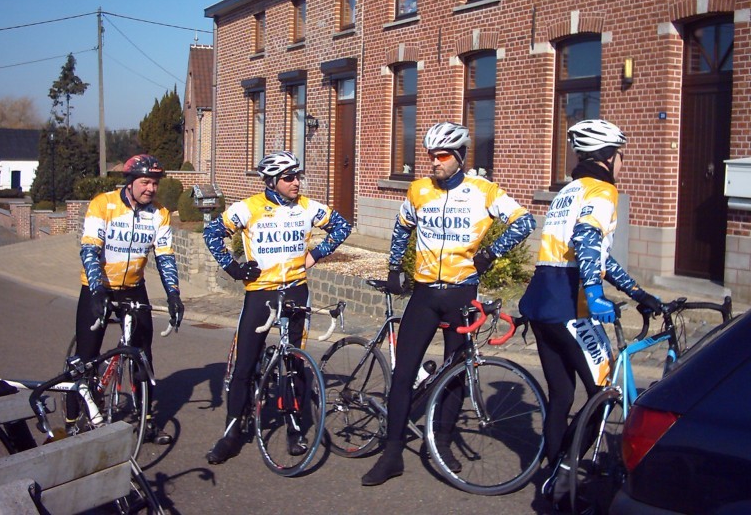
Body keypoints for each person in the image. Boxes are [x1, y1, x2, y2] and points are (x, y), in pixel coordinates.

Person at [361, 122, 537, 486]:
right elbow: (401, 227)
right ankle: (392, 453)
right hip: (425, 294)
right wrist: (396, 267)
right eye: (430, 155)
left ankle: (442, 443)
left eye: (441, 156)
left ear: (459, 157)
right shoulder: (419, 189)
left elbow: (525, 221)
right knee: (404, 373)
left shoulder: (483, 191)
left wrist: (492, 251)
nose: (434, 162)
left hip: (461, 293)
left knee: (457, 371)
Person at [517, 119, 662, 507]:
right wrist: (596, 294)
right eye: (620, 158)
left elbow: (596, 252)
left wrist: (636, 291)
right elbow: (587, 238)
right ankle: (560, 485)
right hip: (571, 306)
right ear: (607, 157)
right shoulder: (602, 190)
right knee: (604, 393)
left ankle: (550, 483)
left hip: (541, 304)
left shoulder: (569, 191)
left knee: (561, 396)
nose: (622, 165)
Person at [203, 150, 351, 464]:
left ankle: (294, 425)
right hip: (261, 293)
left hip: (296, 291)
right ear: (272, 181)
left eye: (298, 176)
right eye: (288, 178)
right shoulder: (249, 208)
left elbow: (342, 226)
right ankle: (232, 430)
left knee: (295, 362)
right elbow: (212, 232)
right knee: (245, 365)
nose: (296, 182)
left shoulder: (308, 207)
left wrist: (315, 255)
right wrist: (234, 268)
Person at [66, 154, 185, 445]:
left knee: (143, 355)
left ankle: (146, 422)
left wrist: (173, 294)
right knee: (86, 357)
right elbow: (90, 250)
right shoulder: (103, 204)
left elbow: (165, 256)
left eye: (155, 183)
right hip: (99, 286)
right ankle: (72, 419)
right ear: (130, 182)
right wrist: (96, 290)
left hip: (133, 287)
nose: (151, 189)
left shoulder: (160, 214)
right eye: (145, 182)